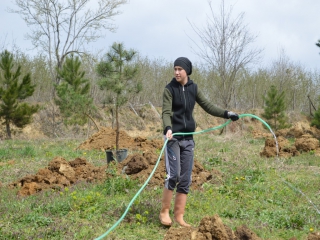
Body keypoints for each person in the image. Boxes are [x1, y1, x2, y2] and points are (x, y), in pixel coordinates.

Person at [159, 57, 239, 227]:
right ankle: (164, 212)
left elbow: (208, 106)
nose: (177, 72)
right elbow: (166, 112)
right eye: (175, 69)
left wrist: (227, 113)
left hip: (188, 138)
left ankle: (179, 216)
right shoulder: (169, 89)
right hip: (172, 138)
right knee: (174, 175)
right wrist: (167, 128)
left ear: (187, 70)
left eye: (180, 69)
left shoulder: (193, 88)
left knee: (186, 178)